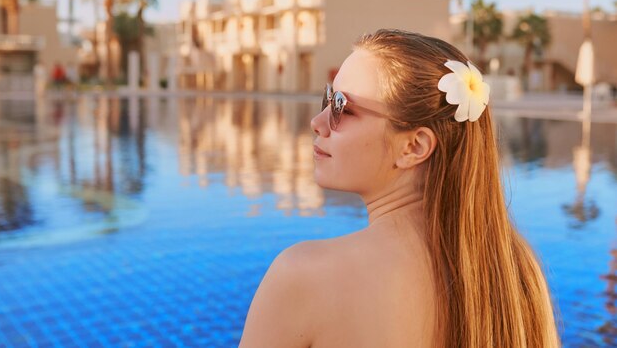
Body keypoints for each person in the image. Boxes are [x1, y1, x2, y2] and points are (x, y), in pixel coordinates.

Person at [239, 29, 561, 348]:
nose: (318, 122)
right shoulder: (516, 271)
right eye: (328, 98)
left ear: (414, 146)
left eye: (342, 107)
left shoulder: (303, 276)